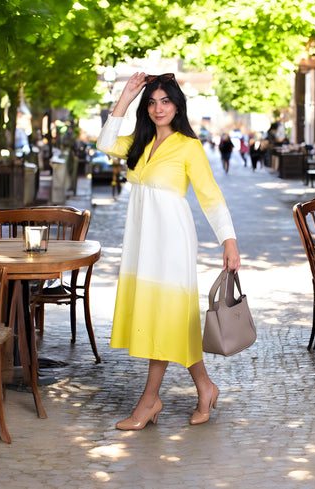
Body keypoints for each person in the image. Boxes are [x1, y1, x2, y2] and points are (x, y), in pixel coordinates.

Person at [97, 72, 240, 431]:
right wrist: (127, 95)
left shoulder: (189, 146)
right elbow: (104, 141)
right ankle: (206, 388)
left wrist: (230, 241)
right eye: (152, 101)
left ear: (177, 105)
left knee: (163, 315)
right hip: (143, 244)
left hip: (172, 242)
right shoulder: (139, 144)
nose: (158, 108)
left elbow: (210, 196)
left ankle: (148, 402)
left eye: (165, 100)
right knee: (170, 318)